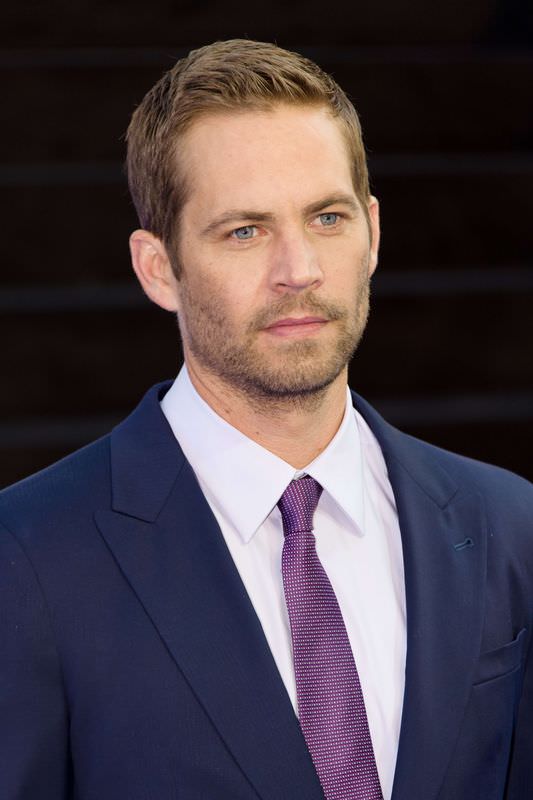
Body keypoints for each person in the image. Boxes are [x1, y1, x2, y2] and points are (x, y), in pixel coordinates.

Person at [0, 39, 531, 800]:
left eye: (326, 218)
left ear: (372, 233)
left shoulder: (510, 524)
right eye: (244, 231)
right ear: (159, 269)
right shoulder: (25, 559)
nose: (300, 271)